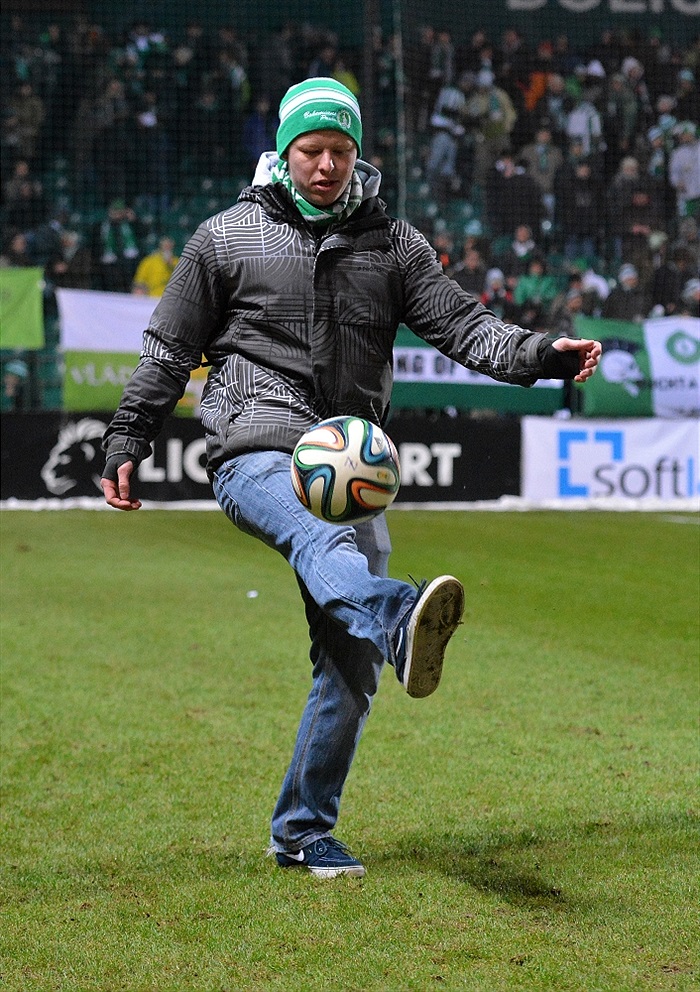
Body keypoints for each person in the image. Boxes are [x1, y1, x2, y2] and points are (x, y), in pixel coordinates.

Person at [100, 78, 601, 879]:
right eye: (312, 151)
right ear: (284, 153)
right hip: (253, 445)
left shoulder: (393, 245)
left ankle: (302, 832)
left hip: (351, 463)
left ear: (358, 155)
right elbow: (166, 351)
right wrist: (128, 434)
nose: (327, 165)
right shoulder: (223, 239)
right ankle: (401, 612)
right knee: (322, 540)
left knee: (350, 660)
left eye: (341, 151)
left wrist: (542, 356)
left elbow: (464, 326)